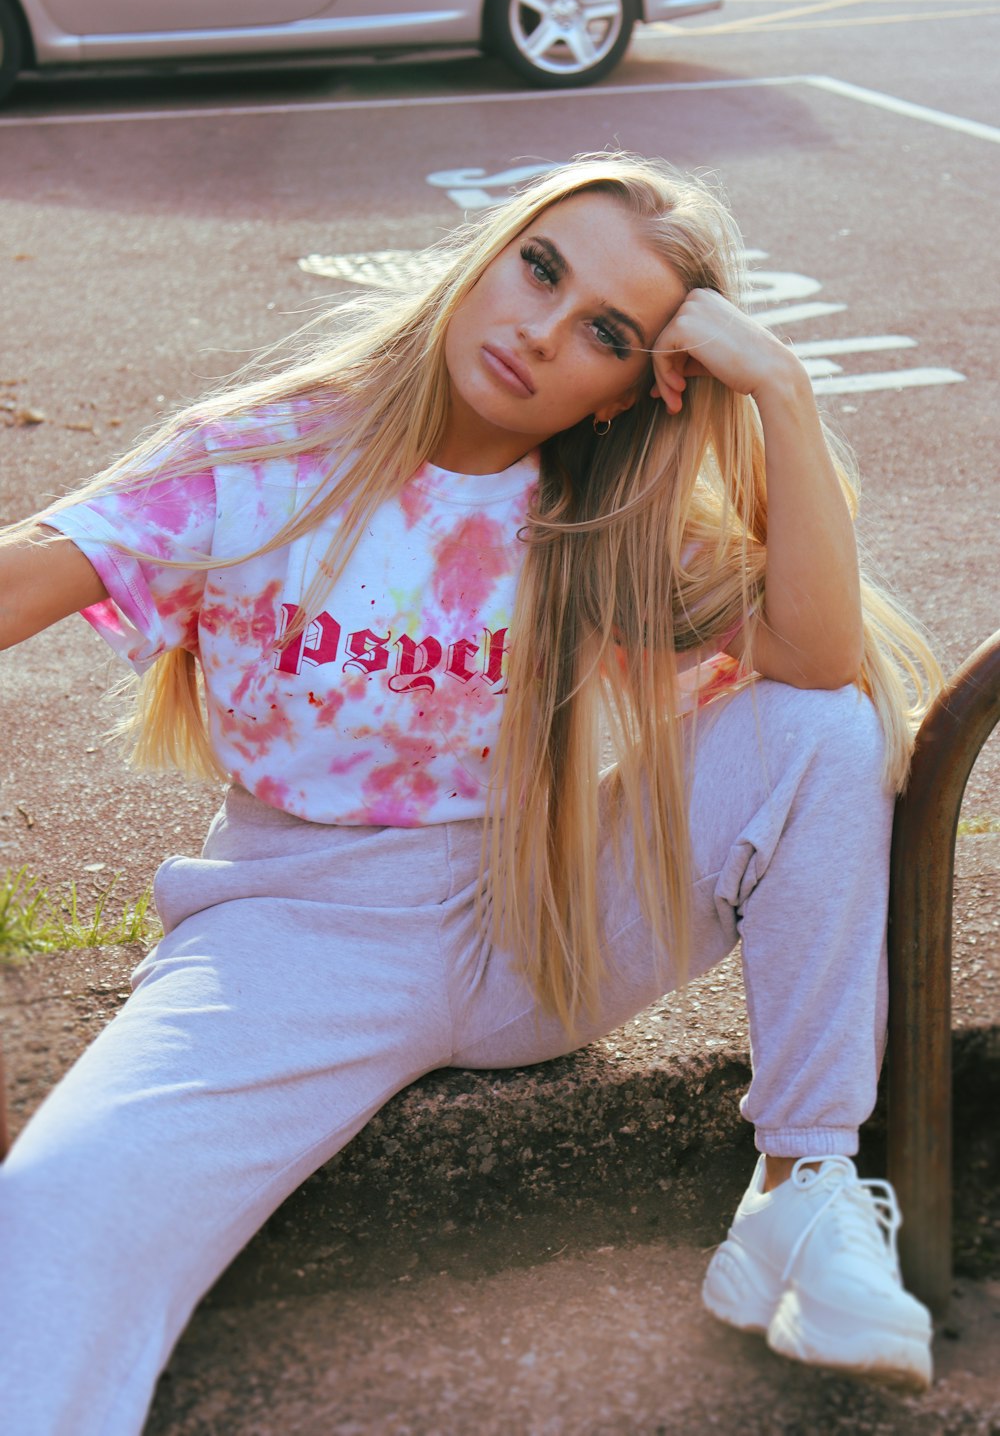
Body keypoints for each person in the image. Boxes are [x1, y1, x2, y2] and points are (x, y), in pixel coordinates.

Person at [0, 152, 940, 1433]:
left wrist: (778, 383)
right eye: (539, 269)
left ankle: (801, 1188)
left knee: (819, 728)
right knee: (55, 1217)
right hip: (293, 938)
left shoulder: (603, 514)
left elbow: (819, 660)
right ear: (488, 252)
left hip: (541, 927)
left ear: (632, 386)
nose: (541, 333)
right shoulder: (269, 452)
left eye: (604, 331)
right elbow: (21, 583)